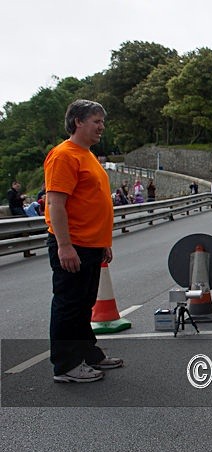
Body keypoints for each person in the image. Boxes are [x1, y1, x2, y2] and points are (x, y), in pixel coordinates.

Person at [45, 99, 122, 383]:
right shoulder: (64, 155)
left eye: (102, 122)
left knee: (84, 305)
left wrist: (103, 241)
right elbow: (55, 203)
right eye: (96, 121)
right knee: (69, 305)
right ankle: (66, 364)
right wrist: (65, 246)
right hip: (74, 244)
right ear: (78, 121)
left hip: (91, 245)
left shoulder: (87, 155)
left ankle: (87, 353)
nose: (102, 127)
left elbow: (91, 202)